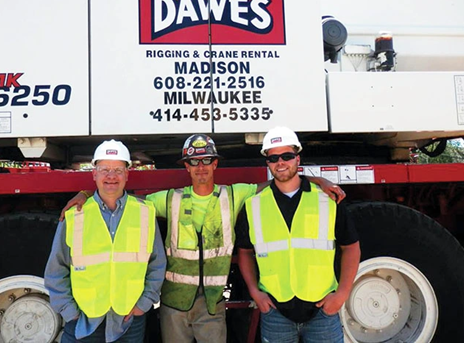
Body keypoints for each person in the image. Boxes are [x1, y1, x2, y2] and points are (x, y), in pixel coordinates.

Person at [60, 134, 345, 343]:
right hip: (174, 305)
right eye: (194, 162)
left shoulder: (233, 195)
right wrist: (85, 194)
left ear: (215, 163)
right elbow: (121, 197)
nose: (201, 167)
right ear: (186, 166)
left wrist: (319, 181)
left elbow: (279, 181)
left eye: (206, 160)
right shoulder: (169, 199)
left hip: (212, 304)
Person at [236, 127, 360, 343]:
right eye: (274, 158)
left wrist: (341, 295)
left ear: (297, 158)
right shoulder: (253, 204)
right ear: (267, 162)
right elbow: (245, 252)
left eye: (287, 156)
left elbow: (350, 247)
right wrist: (255, 292)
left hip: (322, 311)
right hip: (276, 312)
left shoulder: (328, 200)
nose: (281, 162)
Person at [45, 140, 166, 343]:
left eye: (118, 170)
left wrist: (143, 304)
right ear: (94, 174)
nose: (111, 176)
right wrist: (69, 311)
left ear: (127, 174)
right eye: (104, 169)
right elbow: (56, 269)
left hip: (128, 321)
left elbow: (157, 264)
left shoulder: (145, 212)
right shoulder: (75, 215)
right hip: (84, 321)